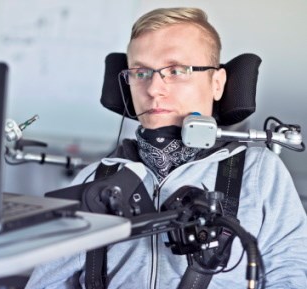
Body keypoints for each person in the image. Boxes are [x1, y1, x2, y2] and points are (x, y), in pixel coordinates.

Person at [25, 7, 307, 289]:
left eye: (176, 70)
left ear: (217, 83)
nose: (153, 89)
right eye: (141, 72)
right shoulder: (93, 180)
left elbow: (289, 274)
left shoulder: (260, 172)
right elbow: (46, 283)